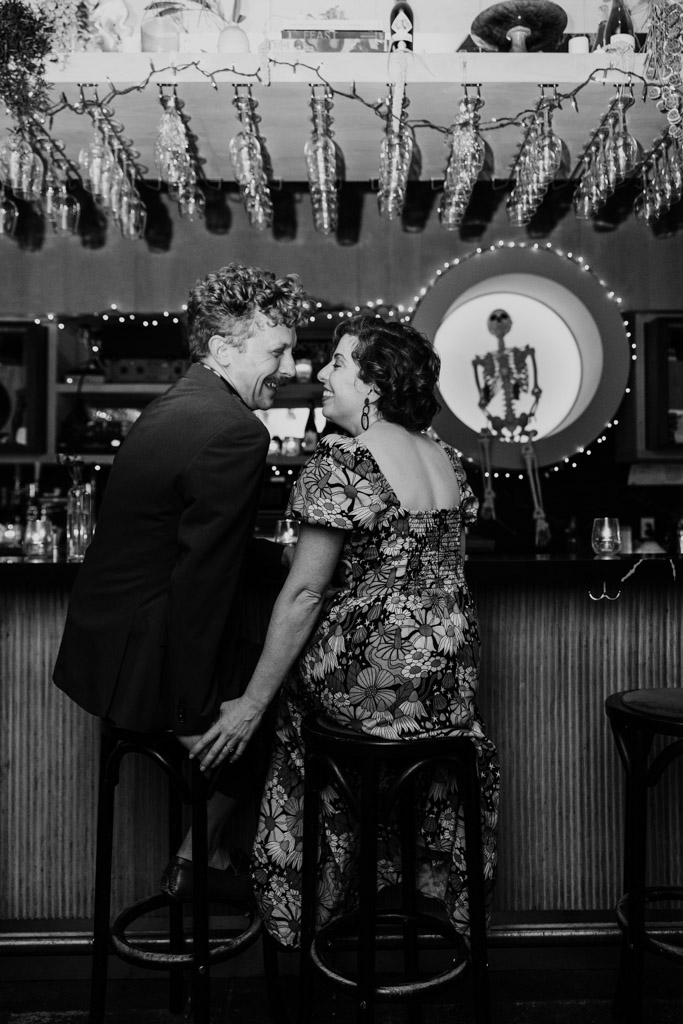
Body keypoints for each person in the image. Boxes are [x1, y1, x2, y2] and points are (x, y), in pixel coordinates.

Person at [188, 312, 499, 948]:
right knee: (343, 719)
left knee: (288, 709)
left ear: (374, 385)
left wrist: (251, 703)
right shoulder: (445, 458)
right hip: (451, 684)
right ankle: (388, 874)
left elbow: (305, 594)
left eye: (338, 364)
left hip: (374, 680)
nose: (322, 375)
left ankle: (307, 907)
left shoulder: (346, 460)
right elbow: (422, 569)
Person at [52, 261, 311, 898]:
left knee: (262, 685)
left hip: (104, 647)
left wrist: (275, 559)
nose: (289, 367)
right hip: (147, 661)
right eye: (276, 351)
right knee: (284, 696)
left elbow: (181, 537)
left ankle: (205, 857)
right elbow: (203, 585)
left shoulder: (177, 403)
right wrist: (191, 713)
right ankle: (202, 860)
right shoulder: (236, 431)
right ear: (223, 349)